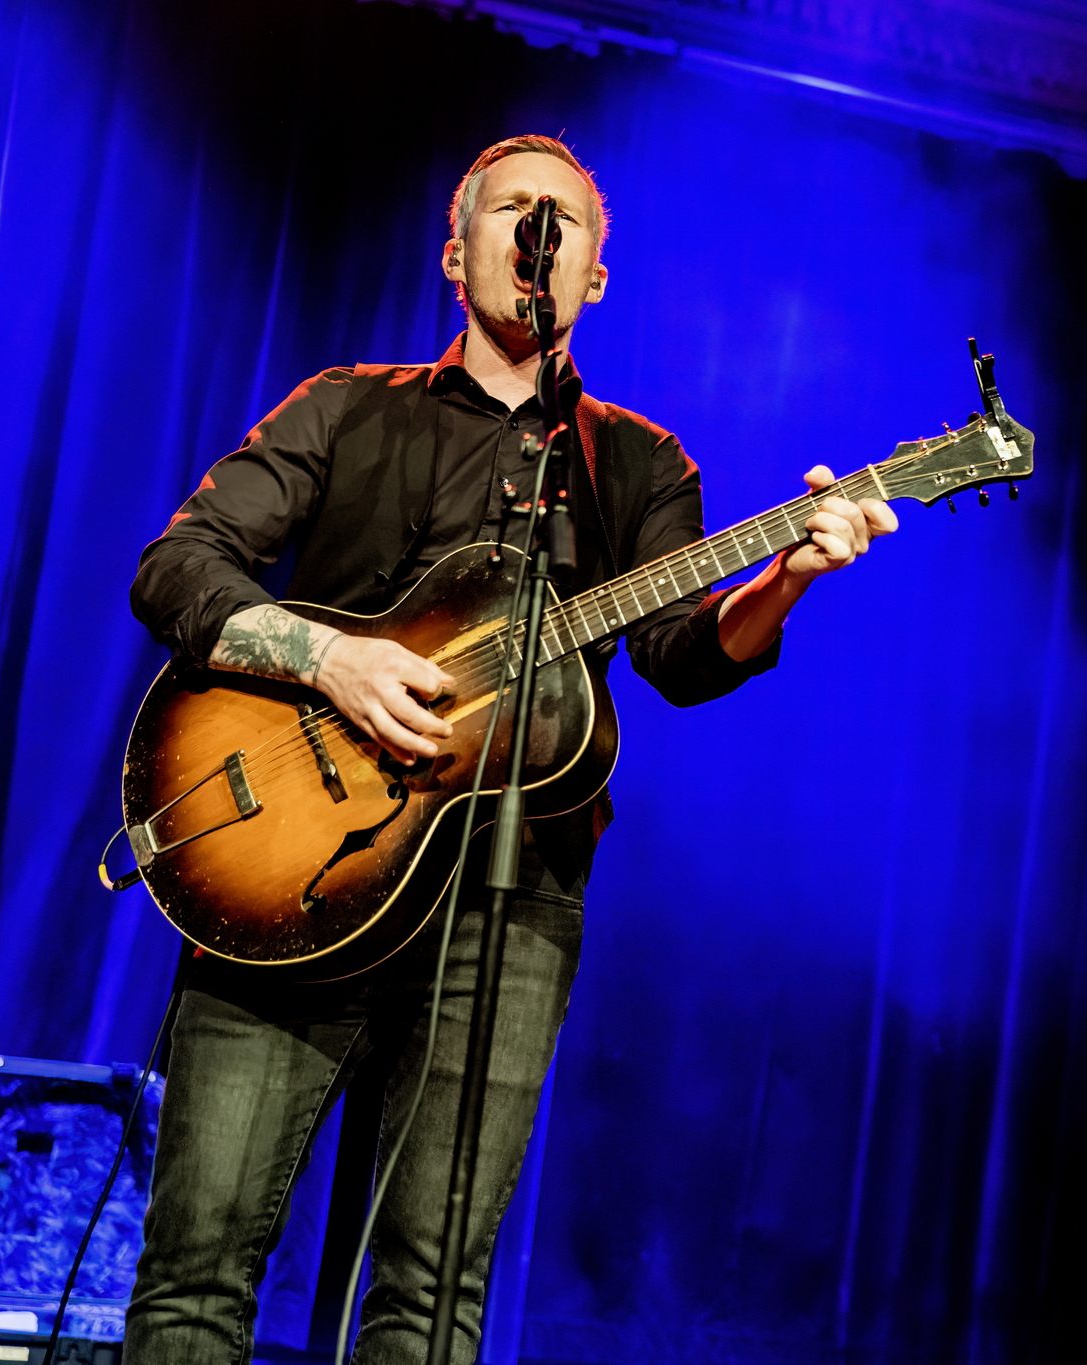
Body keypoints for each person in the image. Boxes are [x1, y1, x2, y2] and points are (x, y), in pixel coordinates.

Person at [124, 135, 901, 1364]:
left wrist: (787, 580)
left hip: (509, 904)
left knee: (432, 1298)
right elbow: (176, 569)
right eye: (512, 210)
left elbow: (684, 657)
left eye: (566, 220)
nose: (538, 230)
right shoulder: (343, 408)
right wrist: (330, 659)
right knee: (195, 1272)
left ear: (596, 276)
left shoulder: (637, 466)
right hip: (291, 865)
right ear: (455, 250)